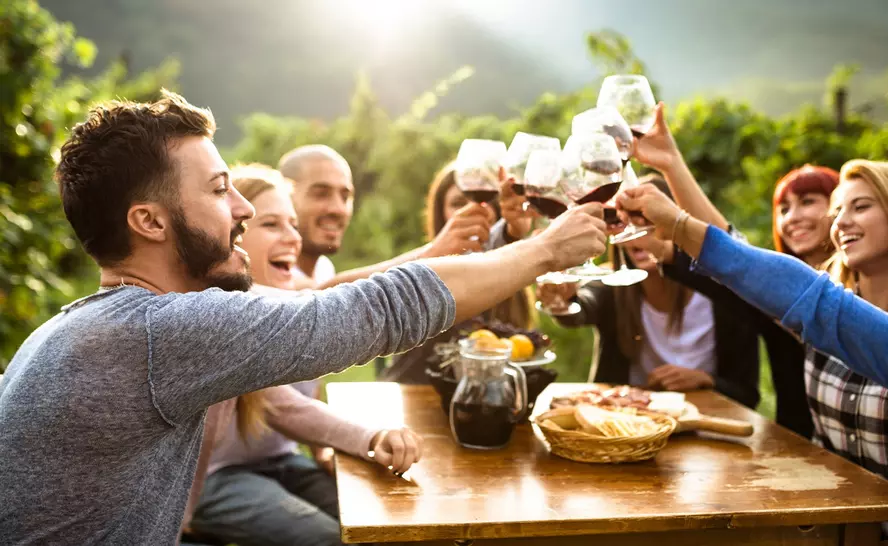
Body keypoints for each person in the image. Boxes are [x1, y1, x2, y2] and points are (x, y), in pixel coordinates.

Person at [0, 91, 607, 545]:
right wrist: (546, 250)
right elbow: (377, 308)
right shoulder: (161, 333)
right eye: (218, 190)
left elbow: (324, 301)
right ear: (150, 222)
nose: (241, 206)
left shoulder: (91, 325)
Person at [633, 105, 888, 541]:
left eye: (860, 207)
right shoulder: (830, 317)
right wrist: (671, 166)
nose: (839, 221)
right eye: (839, 210)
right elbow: (734, 260)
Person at [183, 164, 421, 546]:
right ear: (231, 234)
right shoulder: (223, 312)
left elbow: (305, 389)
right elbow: (282, 406)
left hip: (282, 461)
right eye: (272, 225)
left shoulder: (295, 291)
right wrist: (369, 435)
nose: (293, 238)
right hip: (219, 477)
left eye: (293, 225)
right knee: (327, 539)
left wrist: (342, 445)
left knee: (381, 524)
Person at [627, 106, 825, 438]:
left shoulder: (853, 301)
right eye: (784, 208)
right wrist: (660, 239)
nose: (793, 217)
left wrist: (675, 217)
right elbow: (728, 263)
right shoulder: (779, 293)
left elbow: (731, 257)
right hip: (803, 456)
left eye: (808, 201)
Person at [541, 179, 760, 408]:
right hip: (629, 424)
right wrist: (564, 299)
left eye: (648, 221)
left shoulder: (722, 297)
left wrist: (706, 380)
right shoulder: (613, 287)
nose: (637, 232)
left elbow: (747, 394)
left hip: (706, 419)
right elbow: (582, 308)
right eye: (629, 221)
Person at [382, 162, 537, 383]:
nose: (475, 209)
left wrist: (513, 238)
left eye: (489, 201)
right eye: (458, 203)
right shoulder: (424, 272)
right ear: (441, 215)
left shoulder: (513, 281)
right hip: (414, 395)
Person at [277, 145, 492, 288]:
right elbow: (321, 296)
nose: (338, 209)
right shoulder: (269, 272)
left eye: (345, 196)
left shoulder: (323, 268)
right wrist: (434, 251)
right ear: (283, 196)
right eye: (320, 193)